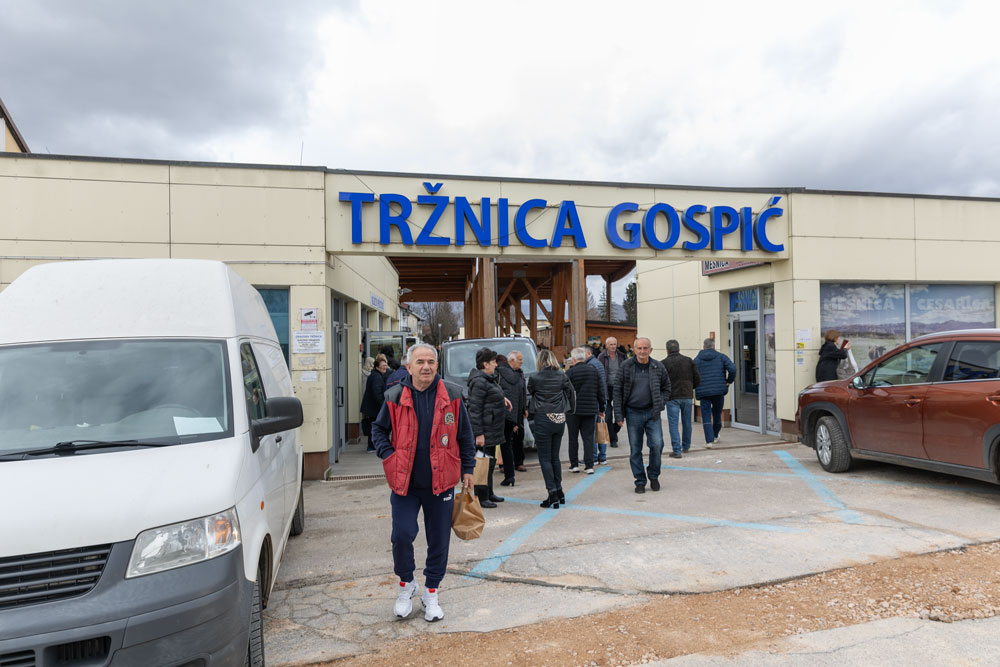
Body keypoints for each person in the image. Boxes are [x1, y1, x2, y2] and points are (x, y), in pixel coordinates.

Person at [371, 343, 474, 622]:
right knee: (402, 535)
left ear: (437, 366)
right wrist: (388, 455)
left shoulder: (453, 394)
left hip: (441, 483)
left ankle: (431, 591)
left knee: (439, 540)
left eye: (431, 362)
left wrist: (468, 468)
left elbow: (465, 434)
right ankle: (407, 584)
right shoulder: (394, 395)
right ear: (409, 367)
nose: (426, 366)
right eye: (420, 362)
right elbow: (378, 429)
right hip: (405, 484)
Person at [614, 337, 671, 493]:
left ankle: (653, 475)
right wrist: (618, 415)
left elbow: (667, 388)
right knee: (635, 449)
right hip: (633, 413)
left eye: (645, 348)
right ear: (634, 350)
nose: (642, 351)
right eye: (639, 348)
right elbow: (617, 391)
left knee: (657, 444)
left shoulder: (658, 367)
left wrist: (660, 402)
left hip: (652, 413)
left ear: (650, 350)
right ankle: (640, 481)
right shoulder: (626, 366)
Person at [528, 349, 575, 509]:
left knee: (545, 458)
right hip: (559, 417)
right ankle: (559, 490)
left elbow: (531, 391)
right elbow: (570, 391)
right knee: (555, 457)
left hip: (543, 417)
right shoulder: (562, 375)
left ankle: (552, 493)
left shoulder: (535, 377)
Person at [466, 348, 512, 509]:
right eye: (493, 362)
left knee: (490, 462)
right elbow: (475, 409)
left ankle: (489, 492)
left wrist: (502, 399)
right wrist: (479, 434)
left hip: (492, 428)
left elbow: (490, 396)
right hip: (485, 430)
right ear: (485, 364)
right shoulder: (479, 382)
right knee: (482, 463)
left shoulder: (488, 379)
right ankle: (481, 495)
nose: (496, 365)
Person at [566, 347, 606, 474]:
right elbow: (600, 391)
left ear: (573, 359)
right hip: (590, 410)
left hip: (573, 411)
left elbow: (565, 392)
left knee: (573, 438)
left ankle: (574, 465)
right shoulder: (594, 371)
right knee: (588, 438)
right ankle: (589, 466)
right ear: (584, 358)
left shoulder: (570, 373)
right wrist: (602, 408)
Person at [693, 338, 737, 449]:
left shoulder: (697, 360)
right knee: (717, 414)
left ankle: (709, 441)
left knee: (706, 416)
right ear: (714, 346)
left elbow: (692, 375)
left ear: (703, 347)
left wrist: (696, 385)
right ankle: (716, 435)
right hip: (718, 391)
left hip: (704, 393)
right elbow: (732, 369)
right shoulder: (721, 357)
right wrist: (728, 381)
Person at [661, 339, 700, 458]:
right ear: (679, 349)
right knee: (687, 422)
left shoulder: (663, 363)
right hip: (687, 395)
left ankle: (677, 450)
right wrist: (691, 387)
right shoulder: (689, 360)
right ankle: (686, 446)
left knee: (673, 424)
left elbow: (661, 381)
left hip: (672, 397)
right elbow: (697, 378)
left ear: (667, 350)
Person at [496, 352, 527, 485]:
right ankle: (510, 476)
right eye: (519, 359)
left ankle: (485, 479)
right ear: (511, 360)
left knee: (491, 446)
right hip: (511, 416)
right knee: (507, 445)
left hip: (497, 415)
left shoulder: (498, 373)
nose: (521, 362)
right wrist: (517, 420)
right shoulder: (517, 376)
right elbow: (520, 399)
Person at [598, 336, 628, 449]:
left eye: (615, 344)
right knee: (608, 415)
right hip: (606, 388)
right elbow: (599, 373)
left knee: (621, 413)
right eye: (611, 344)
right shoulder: (601, 357)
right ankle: (613, 439)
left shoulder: (622, 356)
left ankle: (613, 431)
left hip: (619, 388)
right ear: (606, 346)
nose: (613, 346)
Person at [583, 346, 608, 463]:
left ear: (588, 353)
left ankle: (593, 457)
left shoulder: (590, 365)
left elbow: (593, 386)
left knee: (591, 430)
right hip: (601, 399)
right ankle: (602, 456)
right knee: (601, 428)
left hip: (595, 401)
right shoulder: (597, 363)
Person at [360, 355, 389, 452]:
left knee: (373, 426)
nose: (385, 367)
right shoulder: (377, 377)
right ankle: (372, 446)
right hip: (374, 408)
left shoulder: (375, 375)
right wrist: (383, 407)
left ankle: (372, 446)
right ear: (377, 367)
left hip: (371, 407)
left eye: (386, 365)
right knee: (375, 427)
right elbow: (377, 393)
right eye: (383, 366)